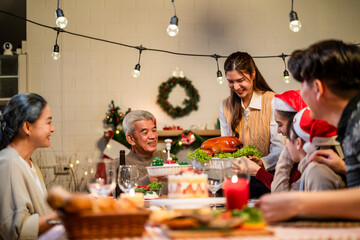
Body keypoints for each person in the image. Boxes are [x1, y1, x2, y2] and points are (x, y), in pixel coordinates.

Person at [256, 39, 360, 222]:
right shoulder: (351, 123)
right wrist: (344, 168)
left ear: (318, 88)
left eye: (303, 83)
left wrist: (297, 204)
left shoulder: (356, 124)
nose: (300, 93)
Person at [220, 51, 284, 198]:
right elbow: (225, 149)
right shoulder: (225, 106)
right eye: (231, 81)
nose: (236, 87)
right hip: (238, 181)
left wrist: (262, 162)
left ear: (253, 74)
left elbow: (280, 149)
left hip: (268, 178)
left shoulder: (272, 100)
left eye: (240, 80)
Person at [0, 93, 57, 239]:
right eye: (48, 122)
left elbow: (43, 214)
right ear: (27, 127)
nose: (53, 129)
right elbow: (17, 231)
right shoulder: (8, 163)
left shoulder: (31, 165)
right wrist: (64, 215)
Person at [234, 90, 306, 191]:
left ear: (295, 122)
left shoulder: (307, 158)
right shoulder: (298, 151)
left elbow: (285, 192)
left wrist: (258, 171)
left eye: (280, 124)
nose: (278, 130)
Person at [286, 108, 345, 191]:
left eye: (287, 136)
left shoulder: (317, 172)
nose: (286, 144)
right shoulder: (311, 169)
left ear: (298, 143)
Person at [122, 110, 168, 189]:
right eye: (145, 132)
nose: (152, 136)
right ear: (131, 139)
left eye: (154, 130)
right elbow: (119, 195)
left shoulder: (168, 159)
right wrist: (149, 179)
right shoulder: (118, 165)